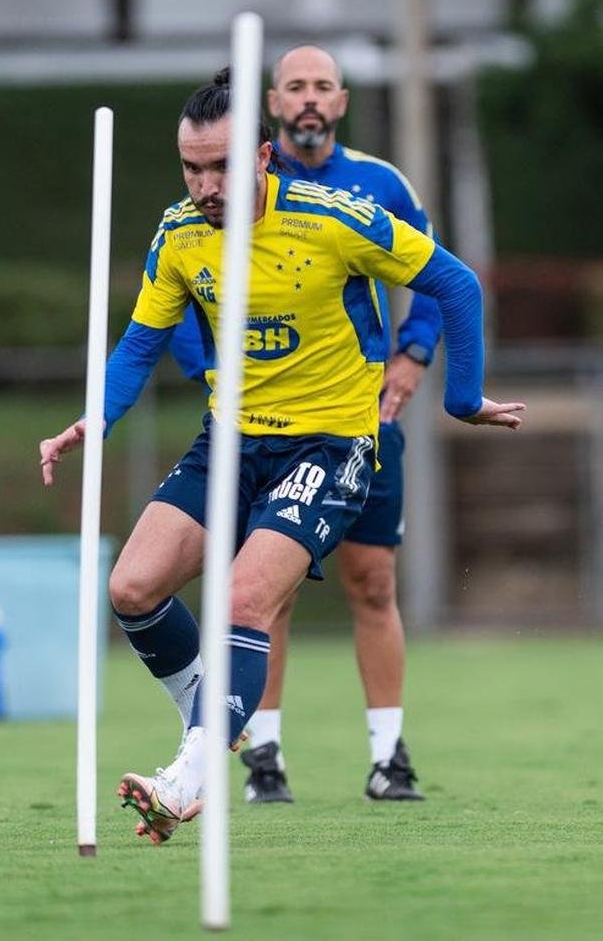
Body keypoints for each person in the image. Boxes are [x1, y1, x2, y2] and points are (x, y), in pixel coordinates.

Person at [40, 68, 524, 846]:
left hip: (331, 445)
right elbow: (140, 342)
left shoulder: (336, 219)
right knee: (130, 586)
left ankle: (186, 777)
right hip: (230, 440)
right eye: (191, 167)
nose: (204, 185)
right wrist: (93, 418)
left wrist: (461, 397)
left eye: (221, 167)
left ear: (263, 158)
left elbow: (456, 283)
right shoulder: (180, 234)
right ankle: (214, 711)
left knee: (242, 601)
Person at [169, 45, 441, 804]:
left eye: (324, 86)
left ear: (343, 101)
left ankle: (389, 756)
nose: (310, 99)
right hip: (262, 428)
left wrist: (413, 358)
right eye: (296, 87)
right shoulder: (230, 190)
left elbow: (435, 274)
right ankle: (265, 755)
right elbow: (178, 300)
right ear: (272, 105)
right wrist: (216, 376)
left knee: (373, 580)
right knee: (264, 588)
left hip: (361, 419)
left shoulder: (380, 183)